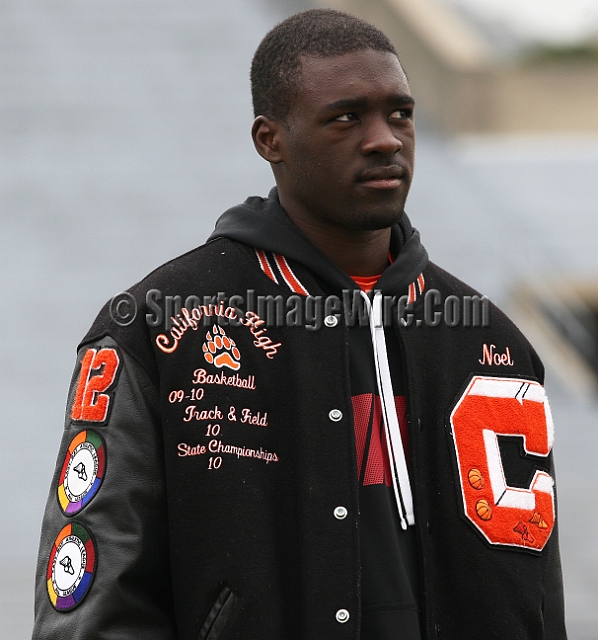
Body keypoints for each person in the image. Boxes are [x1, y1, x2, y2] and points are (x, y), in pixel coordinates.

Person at [33, 9, 567, 640]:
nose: (385, 139)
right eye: (346, 117)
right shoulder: (157, 327)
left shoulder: (491, 343)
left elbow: (538, 598)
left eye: (400, 113)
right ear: (270, 140)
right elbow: (93, 601)